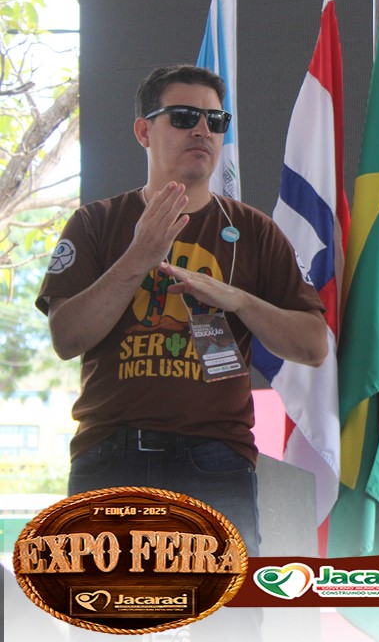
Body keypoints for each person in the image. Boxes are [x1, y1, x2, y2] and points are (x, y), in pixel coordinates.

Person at [35, 65, 328, 557]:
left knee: (225, 609)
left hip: (216, 459)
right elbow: (66, 338)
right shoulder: (95, 223)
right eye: (184, 117)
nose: (202, 131)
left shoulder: (255, 231)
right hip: (111, 454)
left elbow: (314, 346)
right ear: (143, 131)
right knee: (108, 607)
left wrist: (238, 300)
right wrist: (138, 257)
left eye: (216, 120)